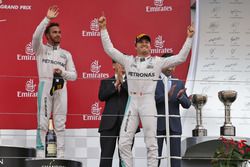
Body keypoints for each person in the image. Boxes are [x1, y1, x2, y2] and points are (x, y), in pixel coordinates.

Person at [98, 15, 194, 167]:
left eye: (147, 42)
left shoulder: (157, 62)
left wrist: (189, 38)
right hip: (133, 101)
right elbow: (109, 49)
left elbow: (181, 58)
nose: (144, 44)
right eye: (140, 42)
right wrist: (103, 29)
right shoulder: (128, 60)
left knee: (151, 144)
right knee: (124, 142)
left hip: (148, 102)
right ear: (135, 46)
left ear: (151, 46)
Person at [32, 6, 77, 158]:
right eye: (54, 32)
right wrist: (47, 19)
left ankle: (61, 155)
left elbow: (74, 75)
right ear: (47, 35)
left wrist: (62, 72)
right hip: (45, 85)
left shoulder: (66, 54)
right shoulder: (40, 49)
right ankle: (39, 155)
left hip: (61, 87)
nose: (58, 35)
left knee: (60, 124)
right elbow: (35, 36)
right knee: (43, 123)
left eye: (59, 32)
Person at [98, 60, 139, 167]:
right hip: (108, 125)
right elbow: (102, 96)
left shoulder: (133, 82)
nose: (123, 66)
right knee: (106, 156)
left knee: (125, 157)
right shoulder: (106, 81)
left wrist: (123, 82)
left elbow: (136, 95)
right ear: (113, 66)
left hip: (128, 124)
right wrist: (116, 84)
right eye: (120, 63)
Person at [155, 53, 191, 167]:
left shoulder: (179, 82)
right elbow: (150, 101)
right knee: (155, 158)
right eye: (168, 64)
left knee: (175, 160)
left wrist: (181, 97)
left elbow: (187, 104)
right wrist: (167, 95)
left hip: (174, 126)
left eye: (173, 64)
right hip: (157, 125)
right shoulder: (153, 81)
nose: (171, 67)